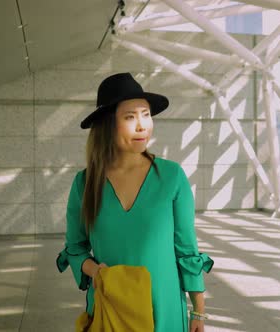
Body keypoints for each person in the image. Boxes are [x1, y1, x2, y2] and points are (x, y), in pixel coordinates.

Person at [56, 72, 214, 332]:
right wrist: (95, 271)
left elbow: (187, 250)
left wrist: (198, 310)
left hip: (164, 308)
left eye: (146, 114)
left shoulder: (172, 176)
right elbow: (75, 248)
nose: (143, 126)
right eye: (130, 117)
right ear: (109, 124)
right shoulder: (85, 184)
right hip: (112, 307)